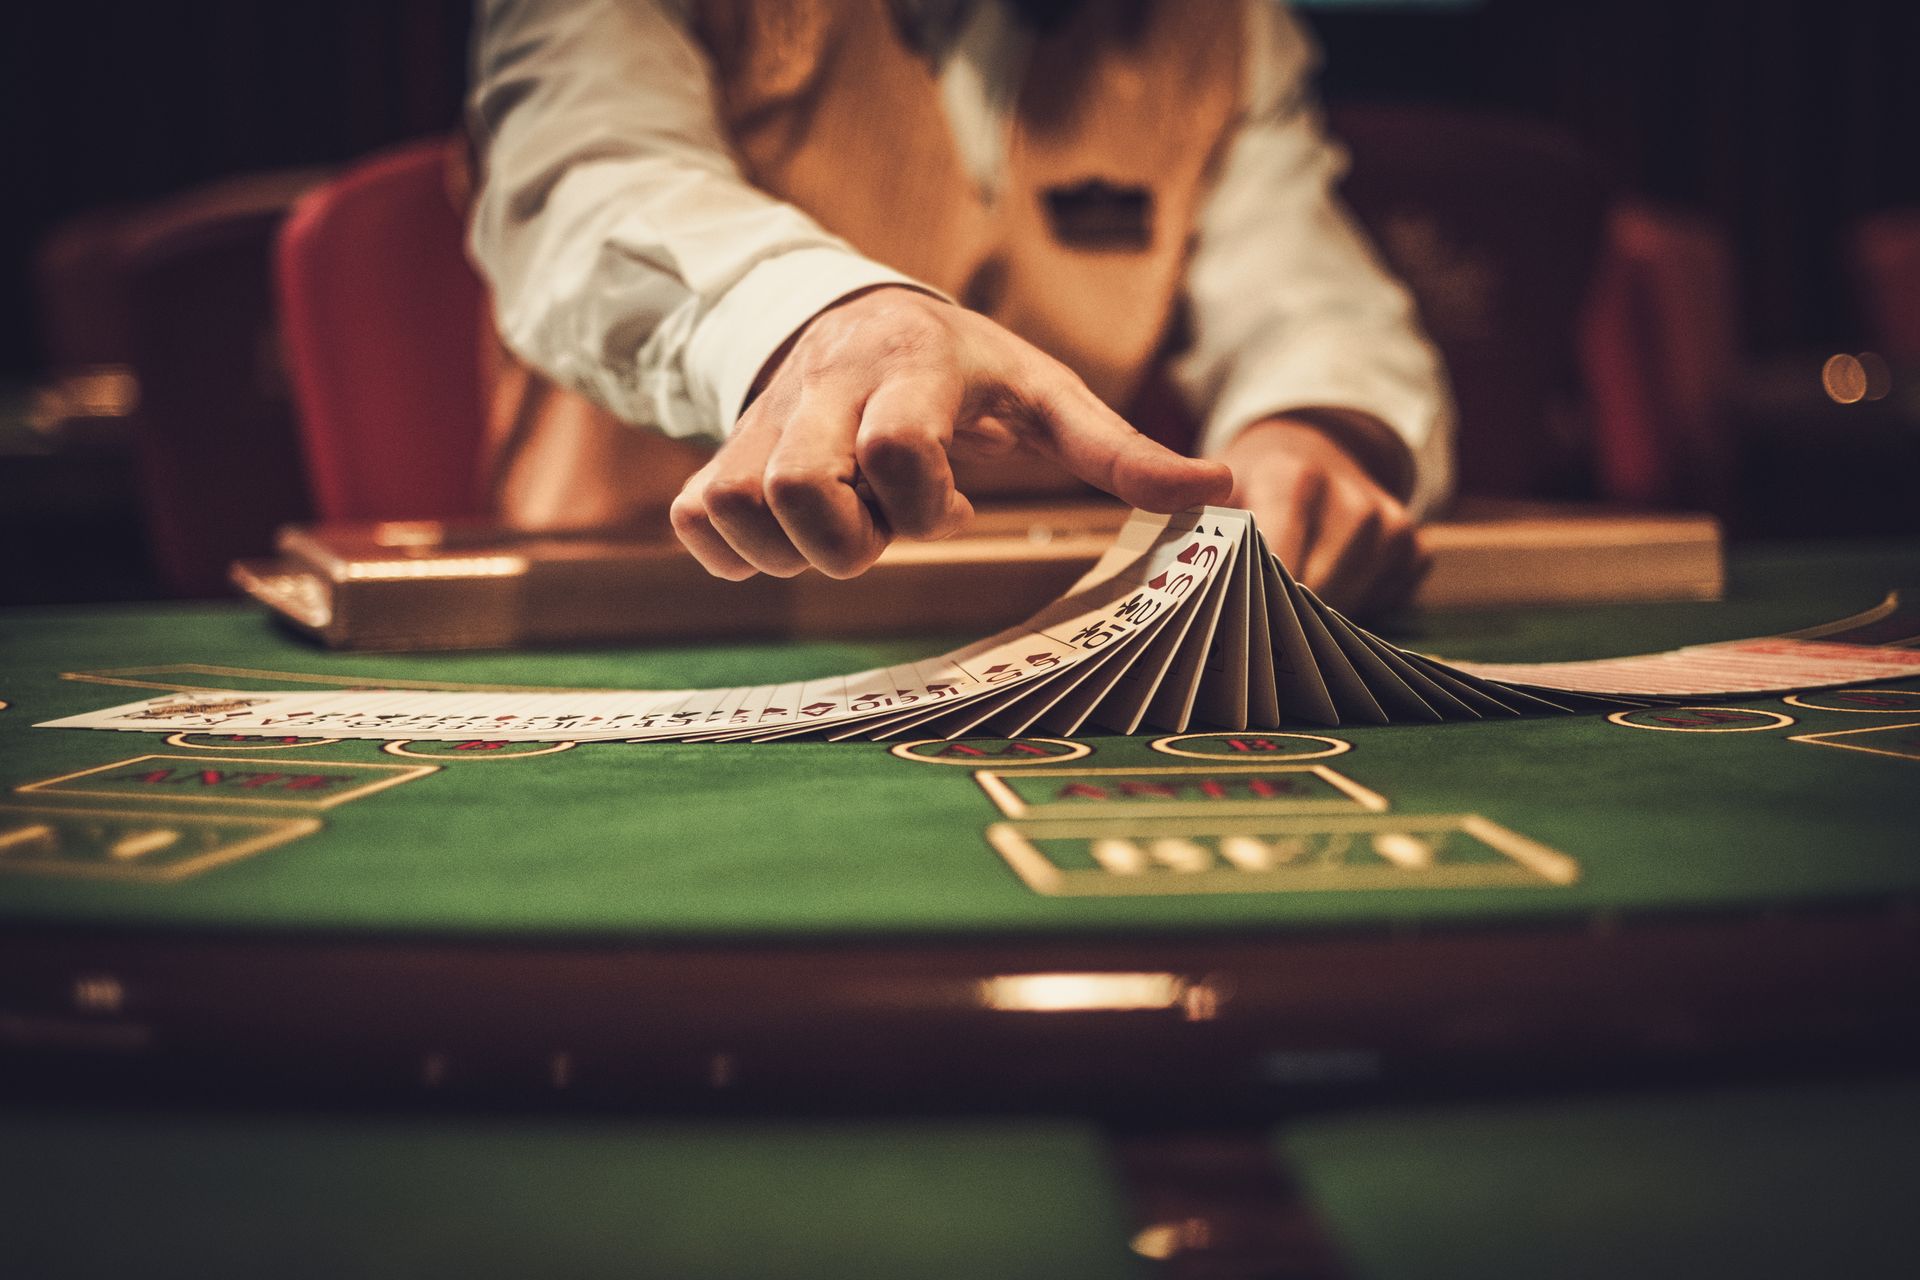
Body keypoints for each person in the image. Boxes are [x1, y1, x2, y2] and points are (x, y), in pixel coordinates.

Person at [469, 0, 1453, 614]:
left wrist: (1312, 430)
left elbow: (1310, 296)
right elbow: (582, 183)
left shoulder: (1226, 21)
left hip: (1040, 633)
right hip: (641, 615)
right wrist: (830, 320)